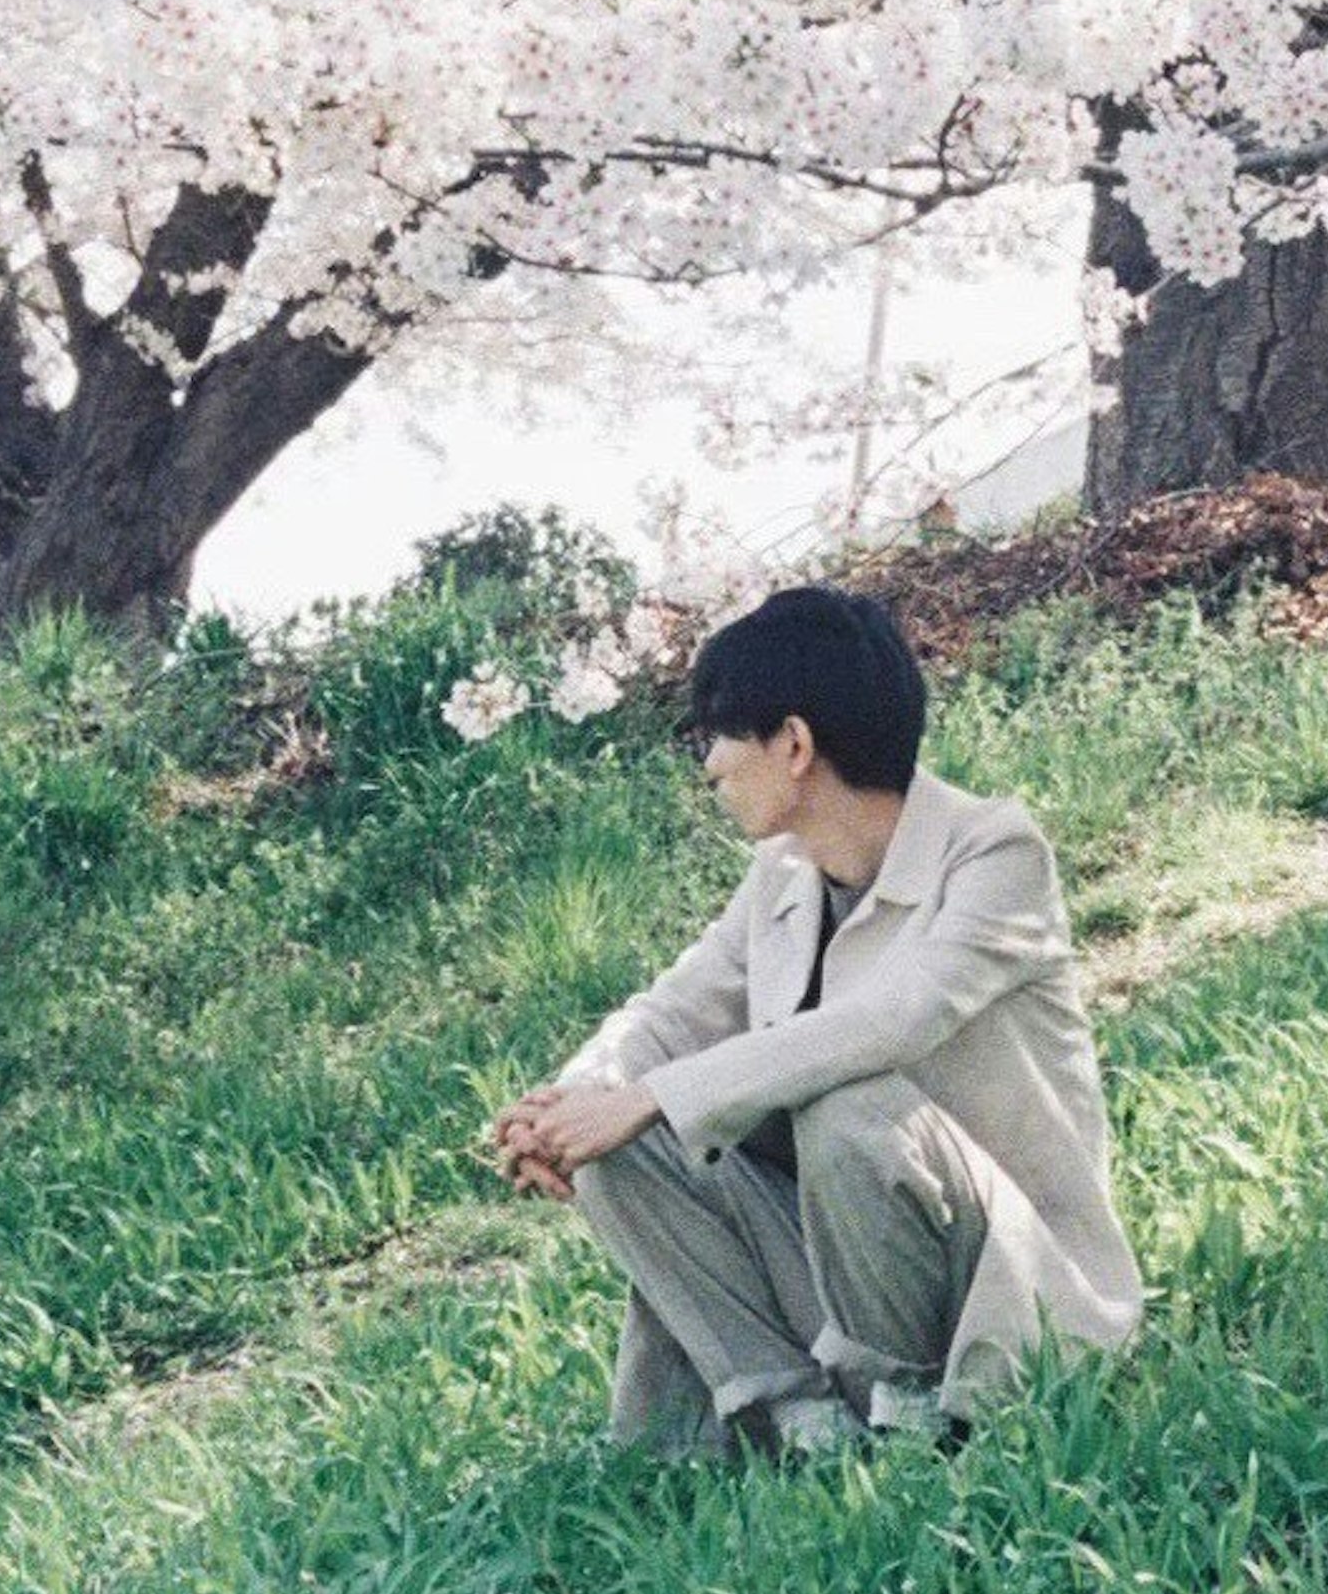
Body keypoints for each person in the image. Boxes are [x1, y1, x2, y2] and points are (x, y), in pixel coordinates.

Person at [488, 584, 1141, 1457]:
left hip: (996, 1282)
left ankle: (911, 1412)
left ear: (793, 743)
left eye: (718, 736)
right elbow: (673, 1009)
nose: (710, 766)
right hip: (839, 1267)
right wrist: (572, 1104)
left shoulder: (995, 853)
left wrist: (651, 1097)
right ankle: (799, 1418)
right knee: (618, 1148)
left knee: (846, 1107)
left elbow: (894, 1021)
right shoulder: (783, 875)